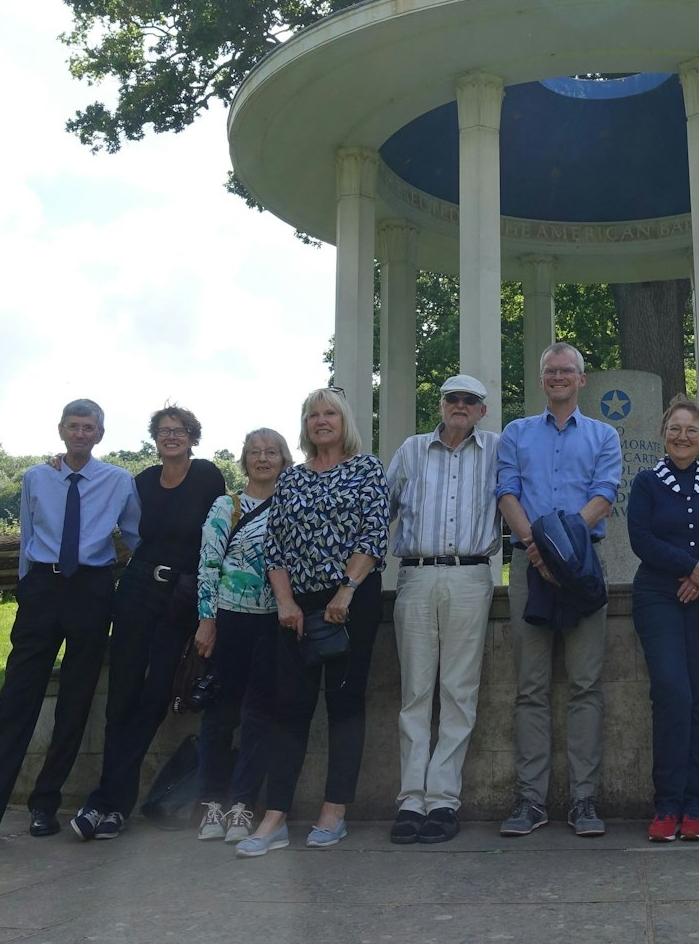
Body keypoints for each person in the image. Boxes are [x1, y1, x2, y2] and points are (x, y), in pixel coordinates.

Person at [0, 399, 141, 851]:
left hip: (92, 592)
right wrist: (28, 588)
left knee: (75, 703)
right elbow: (27, 536)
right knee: (15, 703)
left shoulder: (118, 482)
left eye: (89, 428)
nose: (81, 434)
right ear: (61, 430)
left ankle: (45, 803)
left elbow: (137, 538)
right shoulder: (36, 477)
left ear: (100, 435)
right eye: (74, 426)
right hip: (42, 590)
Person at [236, 387, 389, 857]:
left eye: (330, 414)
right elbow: (276, 546)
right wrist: (285, 602)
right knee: (290, 707)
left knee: (345, 706)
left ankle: (333, 812)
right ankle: (276, 817)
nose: (321, 421)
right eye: (313, 415)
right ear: (305, 425)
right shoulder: (292, 479)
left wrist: (345, 590)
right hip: (297, 606)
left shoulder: (367, 469)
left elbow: (375, 531)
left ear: (345, 422)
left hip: (352, 601)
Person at [67, 405, 226, 842]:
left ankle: (106, 801)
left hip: (181, 597)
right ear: (154, 438)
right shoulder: (138, 482)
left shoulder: (208, 476)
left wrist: (208, 610)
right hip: (137, 589)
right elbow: (101, 510)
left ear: (193, 437)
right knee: (121, 696)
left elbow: (218, 537)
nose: (171, 437)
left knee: (155, 696)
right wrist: (60, 465)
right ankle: (113, 808)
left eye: (179, 431)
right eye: (163, 431)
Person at [495, 342, 623, 838]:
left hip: (582, 565)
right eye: (551, 371)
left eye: (567, 371)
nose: (559, 377)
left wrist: (560, 546)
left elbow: (604, 496)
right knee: (530, 688)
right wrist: (536, 546)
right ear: (542, 378)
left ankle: (584, 800)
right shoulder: (516, 433)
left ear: (582, 379)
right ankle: (531, 800)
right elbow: (506, 492)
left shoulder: (603, 435)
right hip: (529, 565)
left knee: (586, 686)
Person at [384, 374, 503, 846]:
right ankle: (411, 798)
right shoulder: (411, 450)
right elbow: (380, 510)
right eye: (451, 398)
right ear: (440, 404)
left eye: (469, 400)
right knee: (415, 692)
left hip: (471, 575)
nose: (459, 405)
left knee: (458, 691)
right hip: (415, 573)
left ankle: (443, 801)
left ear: (482, 409)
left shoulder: (497, 449)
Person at [627, 396, 699, 842]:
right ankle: (667, 805)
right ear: (663, 434)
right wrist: (687, 567)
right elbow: (641, 538)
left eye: (691, 430)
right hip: (659, 597)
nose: (682, 436)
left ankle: (696, 806)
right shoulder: (645, 483)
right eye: (675, 428)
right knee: (672, 694)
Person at [191, 427, 292, 844]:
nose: (263, 459)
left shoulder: (291, 506)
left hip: (274, 622)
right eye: (255, 452)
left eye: (271, 452)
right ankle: (211, 803)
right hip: (229, 620)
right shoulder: (226, 506)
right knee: (220, 714)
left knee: (259, 716)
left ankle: (242, 805)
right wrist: (206, 618)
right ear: (244, 459)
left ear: (284, 459)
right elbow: (208, 565)